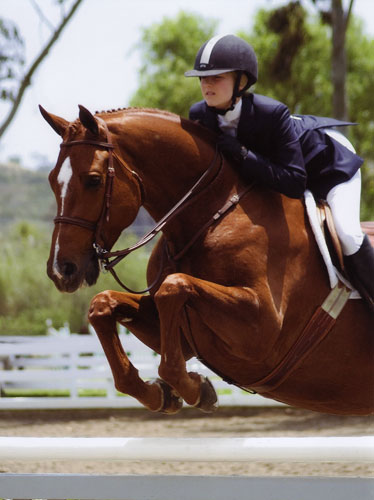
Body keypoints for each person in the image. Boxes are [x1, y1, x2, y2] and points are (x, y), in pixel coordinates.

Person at [185, 33, 374, 313]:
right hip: (282, 171)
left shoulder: (271, 113)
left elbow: (295, 183)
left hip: (329, 164)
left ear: (242, 81)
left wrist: (242, 153)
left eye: (216, 77)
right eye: (202, 78)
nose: (206, 85)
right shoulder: (200, 114)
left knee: (347, 234)